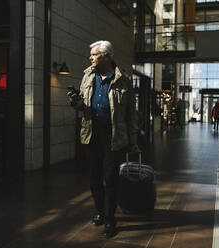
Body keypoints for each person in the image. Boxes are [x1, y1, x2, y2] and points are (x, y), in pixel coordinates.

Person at [67, 40, 139, 238]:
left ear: (106, 56)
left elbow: (131, 114)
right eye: (91, 55)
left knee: (111, 179)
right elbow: (83, 106)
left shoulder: (123, 80)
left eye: (94, 55)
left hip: (114, 138)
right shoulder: (88, 76)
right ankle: (100, 211)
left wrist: (133, 141)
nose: (90, 58)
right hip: (92, 136)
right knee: (94, 180)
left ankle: (110, 220)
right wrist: (75, 102)